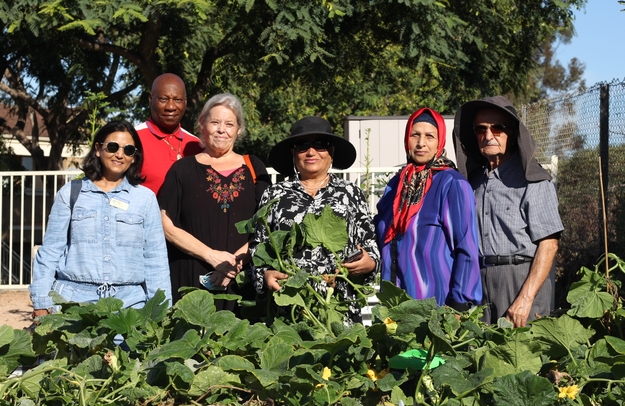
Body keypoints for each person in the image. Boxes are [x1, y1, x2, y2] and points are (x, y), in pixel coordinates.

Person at [30, 120, 172, 319]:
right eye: (112, 146)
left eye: (128, 150)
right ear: (98, 149)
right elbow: (50, 251)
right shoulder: (70, 194)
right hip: (73, 304)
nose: (119, 154)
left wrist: (161, 311)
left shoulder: (145, 199)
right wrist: (41, 301)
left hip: (130, 306)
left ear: (134, 157)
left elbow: (155, 259)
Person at [251, 116, 380, 322]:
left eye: (320, 145)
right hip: (290, 308)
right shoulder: (274, 194)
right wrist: (265, 274)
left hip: (339, 308)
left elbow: (370, 244)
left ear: (332, 152)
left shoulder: (350, 193)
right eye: (302, 145)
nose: (311, 152)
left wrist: (369, 263)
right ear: (293, 152)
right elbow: (258, 248)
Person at [453, 95, 564, 327]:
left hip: (521, 280)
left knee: (523, 357)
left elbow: (549, 244)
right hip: (479, 284)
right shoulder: (471, 183)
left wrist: (525, 299)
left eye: (497, 128)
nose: (488, 135)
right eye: (481, 129)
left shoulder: (533, 181)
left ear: (513, 134)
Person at [158, 93, 271, 309]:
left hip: (240, 280)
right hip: (190, 277)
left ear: (239, 129)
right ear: (202, 124)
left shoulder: (254, 167)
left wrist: (234, 262)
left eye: (229, 124)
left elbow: (265, 225)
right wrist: (211, 256)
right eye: (215, 122)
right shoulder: (182, 169)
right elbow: (166, 223)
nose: (222, 130)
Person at [374, 108, 482, 310]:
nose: (421, 143)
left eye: (429, 136)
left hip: (436, 307)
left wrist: (459, 305)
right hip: (393, 306)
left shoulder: (451, 184)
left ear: (439, 141)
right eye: (415, 134)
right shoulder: (397, 185)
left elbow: (466, 248)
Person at [136, 73, 203, 194]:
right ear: (150, 99)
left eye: (177, 100)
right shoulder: (133, 139)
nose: (171, 107)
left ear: (185, 102)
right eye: (163, 99)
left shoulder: (196, 144)